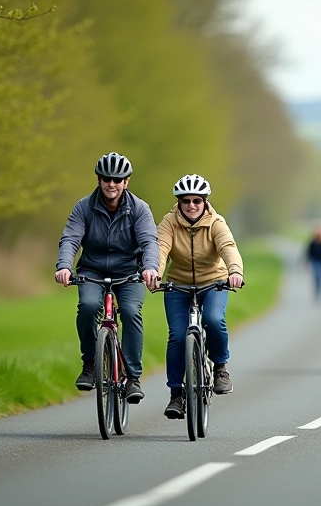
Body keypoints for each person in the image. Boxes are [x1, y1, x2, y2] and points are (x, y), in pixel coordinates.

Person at [55, 152, 161, 404]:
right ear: (98, 180)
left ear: (126, 182)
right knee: (89, 306)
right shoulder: (83, 207)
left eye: (117, 179)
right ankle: (90, 364)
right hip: (93, 271)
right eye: (106, 179)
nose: (111, 184)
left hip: (129, 273)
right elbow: (70, 238)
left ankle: (133, 378)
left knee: (131, 311)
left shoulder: (139, 208)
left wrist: (150, 268)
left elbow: (149, 241)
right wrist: (64, 266)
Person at [157, 174, 244, 420]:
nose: (192, 205)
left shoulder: (216, 222)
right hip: (178, 285)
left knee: (214, 320)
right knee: (176, 336)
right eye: (186, 201)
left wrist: (235, 272)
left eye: (197, 200)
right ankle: (176, 394)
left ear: (205, 202)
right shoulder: (168, 223)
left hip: (213, 283)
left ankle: (220, 368)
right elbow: (160, 248)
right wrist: (154, 270)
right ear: (179, 203)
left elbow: (228, 247)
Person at [306, 224, 321, 302]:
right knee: (317, 276)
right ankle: (317, 292)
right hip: (315, 261)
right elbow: (309, 253)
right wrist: (307, 261)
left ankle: (320, 292)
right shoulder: (313, 243)